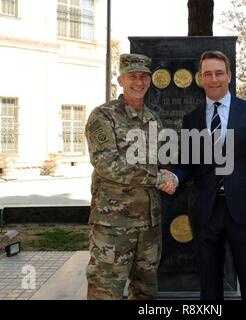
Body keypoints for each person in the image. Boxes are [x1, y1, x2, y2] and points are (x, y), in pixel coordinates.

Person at [159, 50, 246, 300]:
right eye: (208, 74)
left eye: (219, 73)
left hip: (245, 211)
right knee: (209, 285)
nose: (213, 79)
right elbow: (187, 164)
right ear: (201, 78)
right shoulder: (192, 119)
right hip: (205, 211)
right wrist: (176, 178)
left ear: (229, 76)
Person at [85, 53, 171, 300]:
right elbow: (107, 164)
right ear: (121, 79)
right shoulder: (103, 116)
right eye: (132, 76)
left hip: (149, 225)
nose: (139, 82)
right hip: (114, 225)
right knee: (105, 290)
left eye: (144, 76)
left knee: (145, 291)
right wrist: (156, 179)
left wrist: (167, 172)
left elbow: (158, 160)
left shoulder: (152, 118)